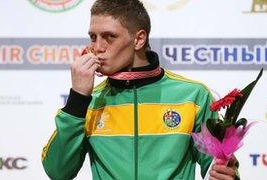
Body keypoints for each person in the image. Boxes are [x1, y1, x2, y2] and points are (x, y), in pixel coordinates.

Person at [41, 0, 239, 179]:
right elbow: (58, 172)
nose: (97, 47)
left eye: (109, 36)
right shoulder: (89, 101)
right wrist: (77, 99)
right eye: (93, 37)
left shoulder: (193, 95)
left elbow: (219, 167)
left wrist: (227, 173)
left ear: (138, 39)